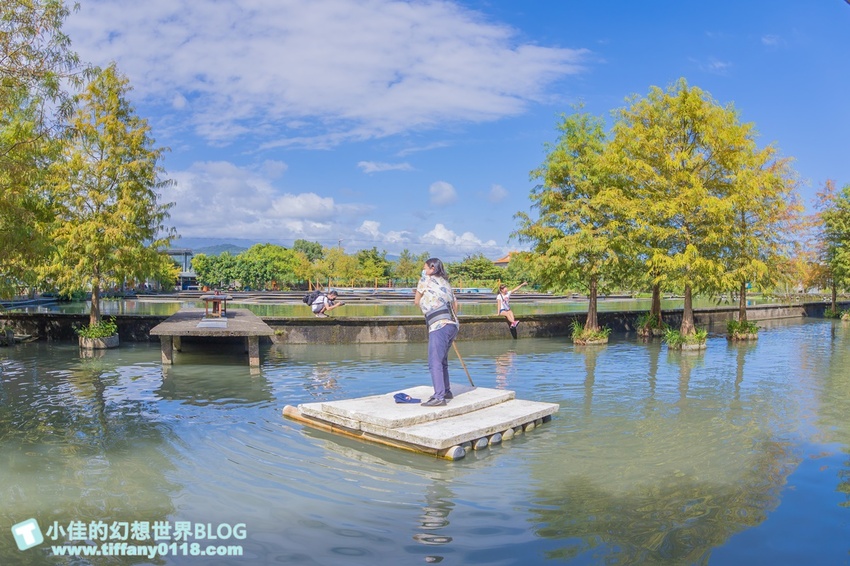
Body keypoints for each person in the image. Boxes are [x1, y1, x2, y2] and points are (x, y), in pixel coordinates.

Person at [415, 258, 459, 407]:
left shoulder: (425, 279)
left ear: (432, 268)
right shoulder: (446, 282)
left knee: (434, 362)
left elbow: (416, 301)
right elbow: (455, 304)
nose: (424, 270)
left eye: (425, 267)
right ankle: (446, 390)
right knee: (442, 360)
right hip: (452, 324)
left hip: (439, 325)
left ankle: (439, 397)